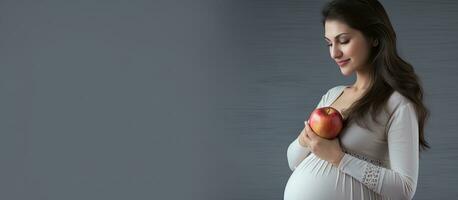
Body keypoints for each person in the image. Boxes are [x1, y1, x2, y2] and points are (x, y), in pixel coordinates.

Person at [283, 0, 430, 199]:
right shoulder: (333, 95)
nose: (334, 53)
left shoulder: (397, 104)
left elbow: (404, 190)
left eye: (343, 40)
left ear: (374, 38)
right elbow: (293, 160)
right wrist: (307, 138)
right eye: (329, 43)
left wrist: (338, 158)